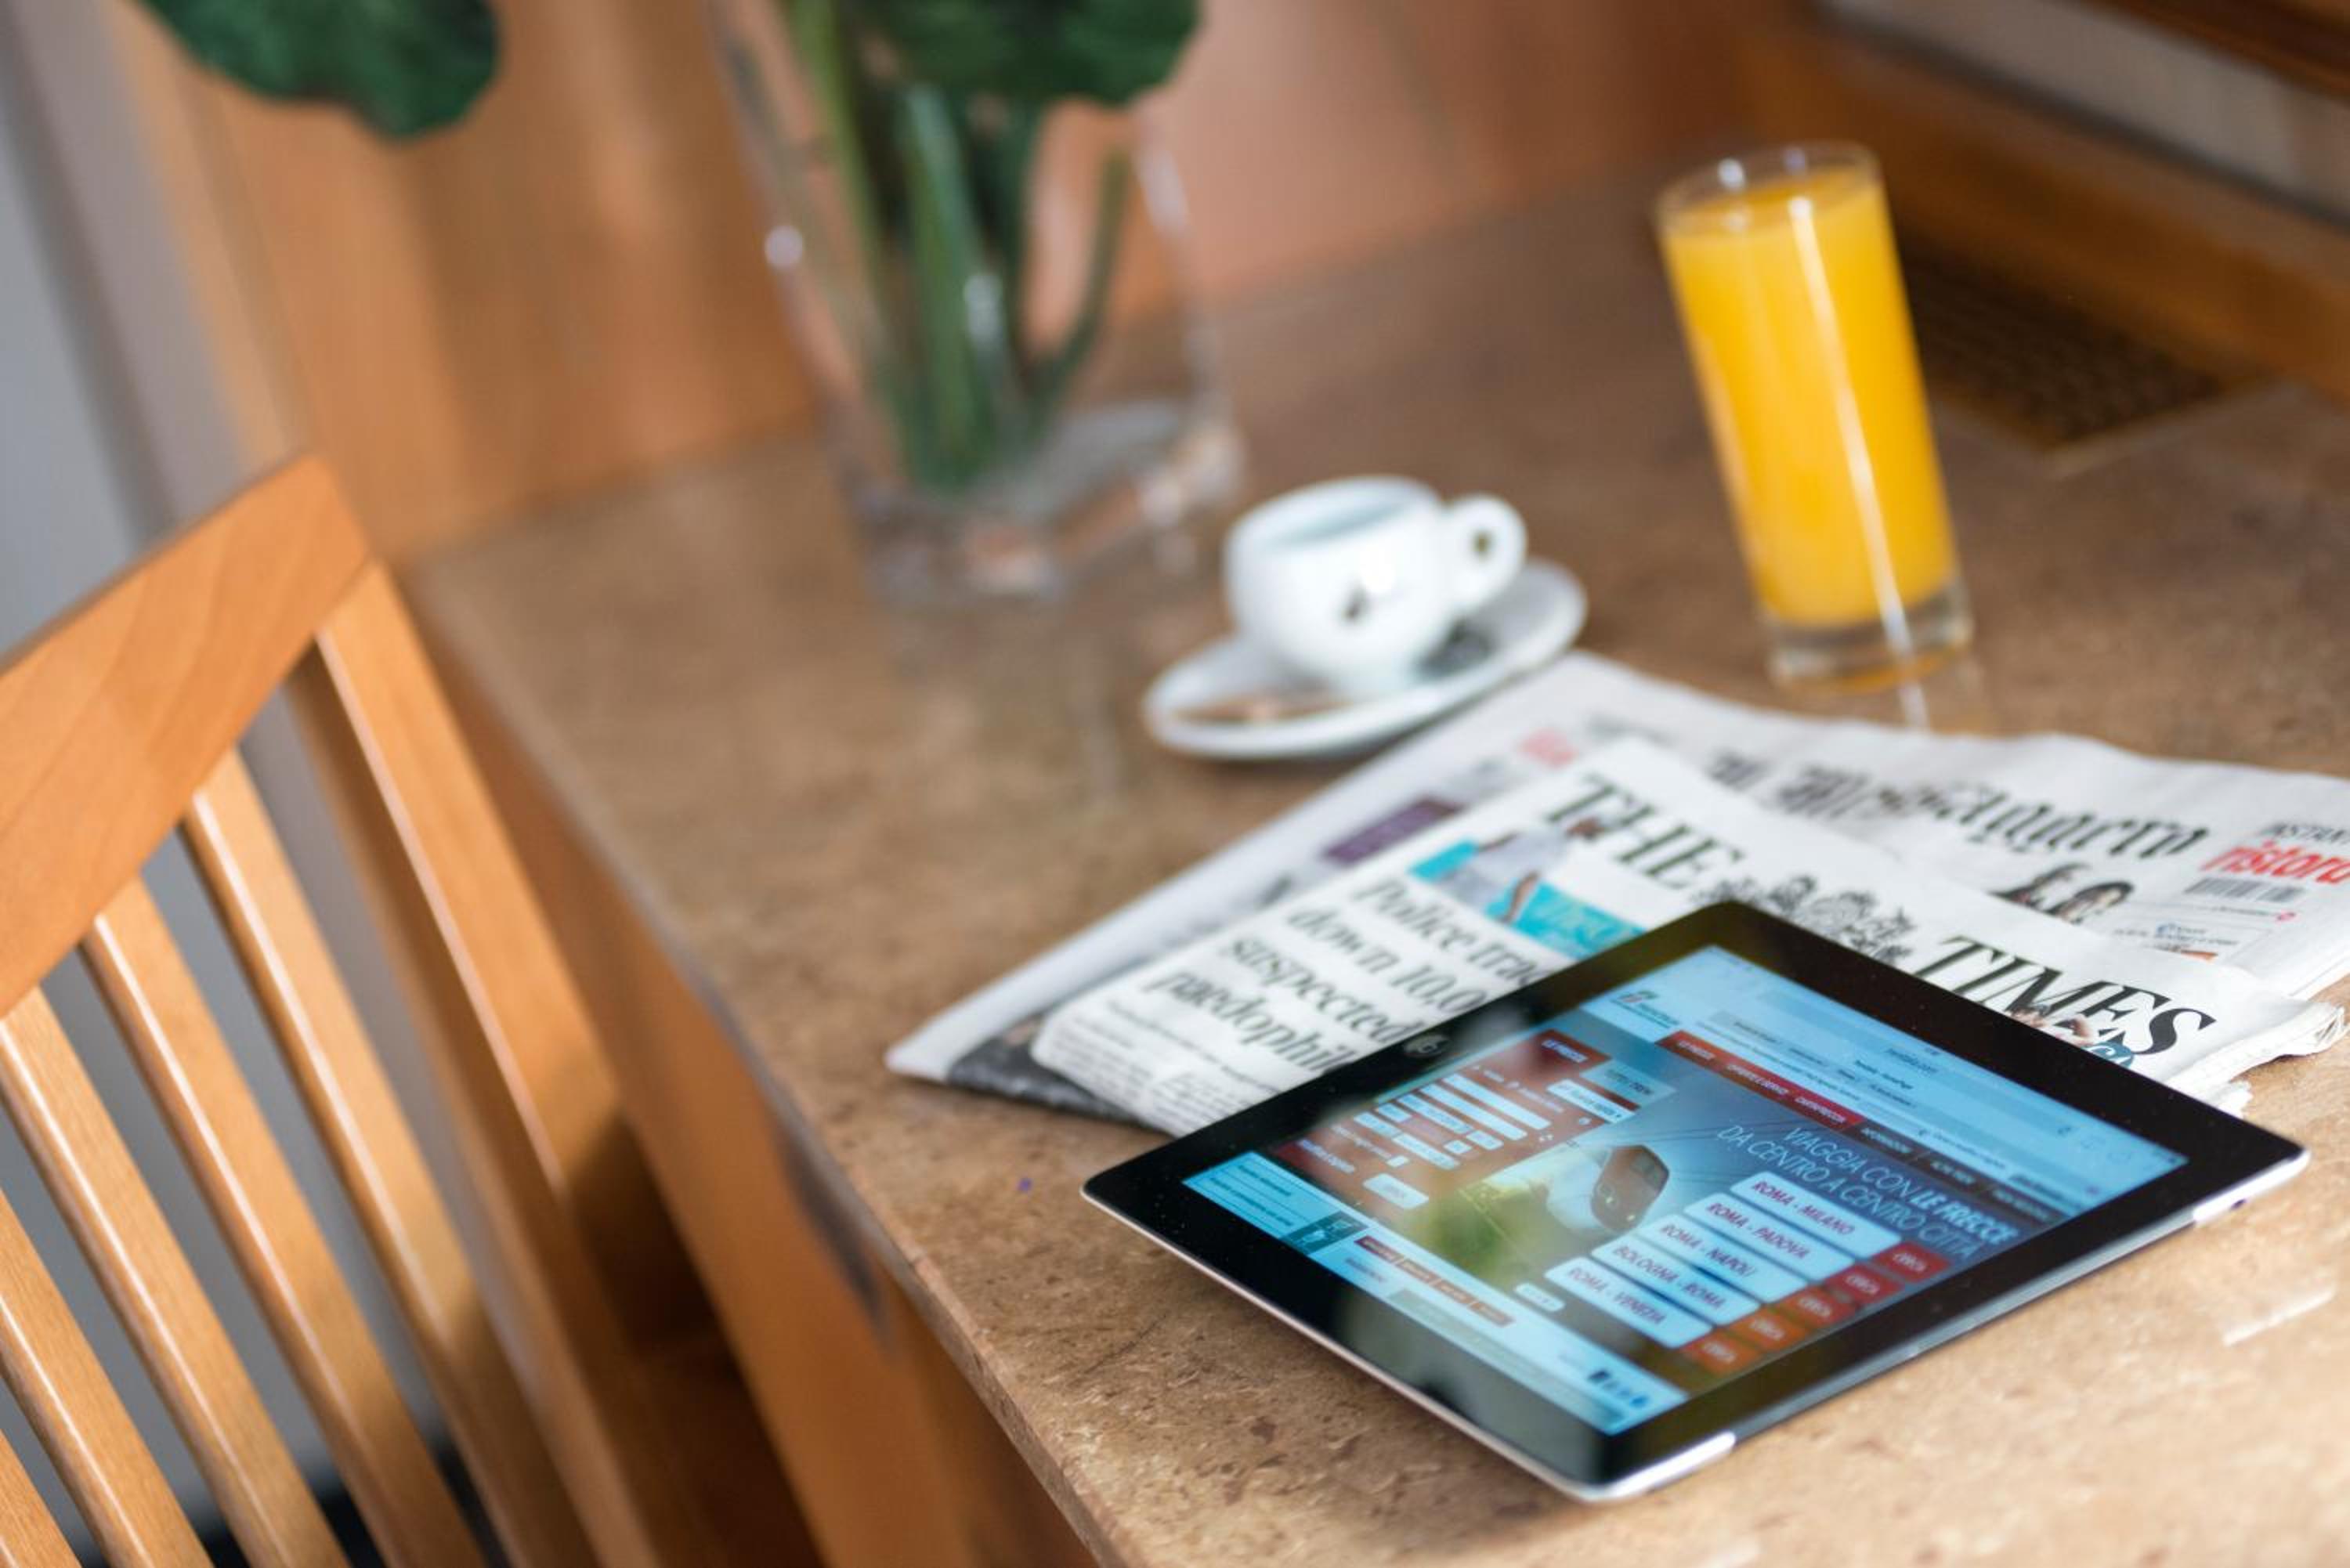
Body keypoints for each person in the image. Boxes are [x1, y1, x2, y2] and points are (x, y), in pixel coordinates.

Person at [2048, 880, 2132, 925]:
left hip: (2090, 899)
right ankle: (2064, 918)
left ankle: (2064, 918)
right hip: (2089, 899)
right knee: (2075, 908)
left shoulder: (2110, 892)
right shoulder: (2108, 892)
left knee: (2076, 909)